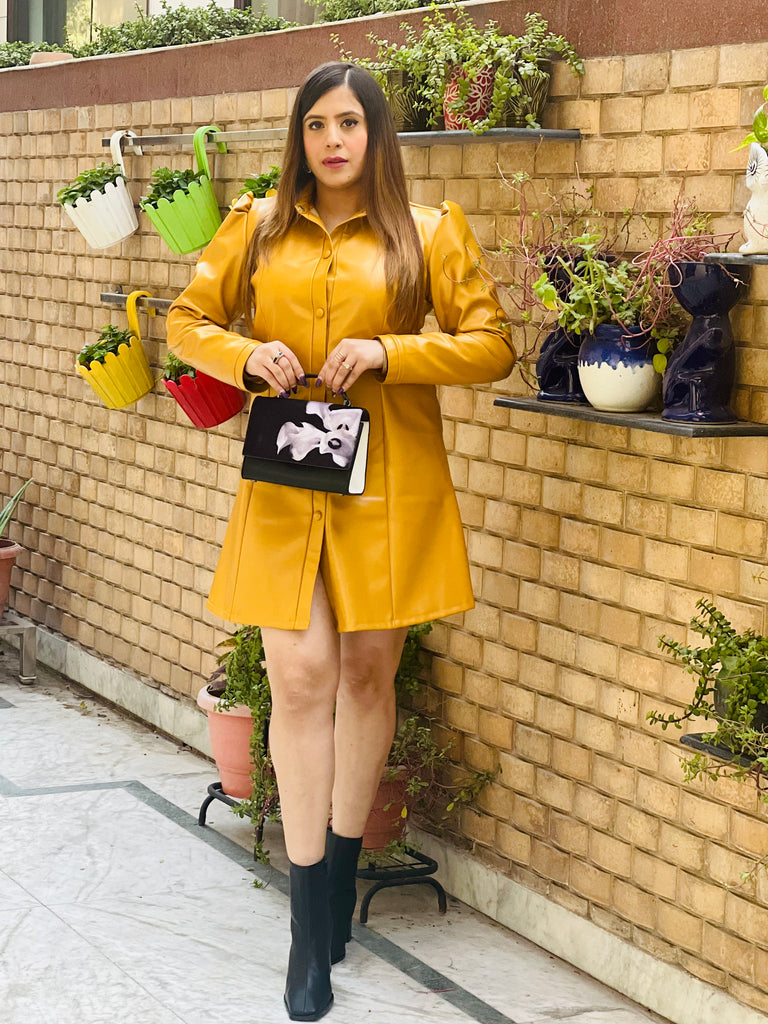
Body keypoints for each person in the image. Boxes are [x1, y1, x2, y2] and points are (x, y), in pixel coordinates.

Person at [166, 61, 516, 1022]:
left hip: (388, 488)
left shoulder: (430, 233)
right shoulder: (257, 225)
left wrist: (393, 352)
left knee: (365, 675)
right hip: (286, 484)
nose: (332, 140)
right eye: (316, 123)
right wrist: (246, 353)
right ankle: (303, 928)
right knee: (301, 676)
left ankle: (336, 903)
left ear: (376, 135)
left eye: (349, 123)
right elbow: (188, 321)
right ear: (299, 136)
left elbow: (493, 345)